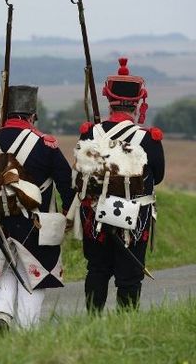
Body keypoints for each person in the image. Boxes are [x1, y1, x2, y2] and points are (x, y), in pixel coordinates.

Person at [0, 85, 75, 331]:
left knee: (3, 266)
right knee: (34, 275)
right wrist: (68, 214)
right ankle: (26, 328)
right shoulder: (45, 145)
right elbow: (66, 182)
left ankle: (3, 312)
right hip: (36, 224)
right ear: (32, 115)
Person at [73, 58, 164, 312]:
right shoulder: (149, 138)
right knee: (130, 275)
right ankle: (126, 325)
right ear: (136, 104)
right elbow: (159, 176)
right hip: (135, 218)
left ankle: (93, 323)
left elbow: (79, 169)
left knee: (98, 270)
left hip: (95, 216)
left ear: (109, 101)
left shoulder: (90, 132)